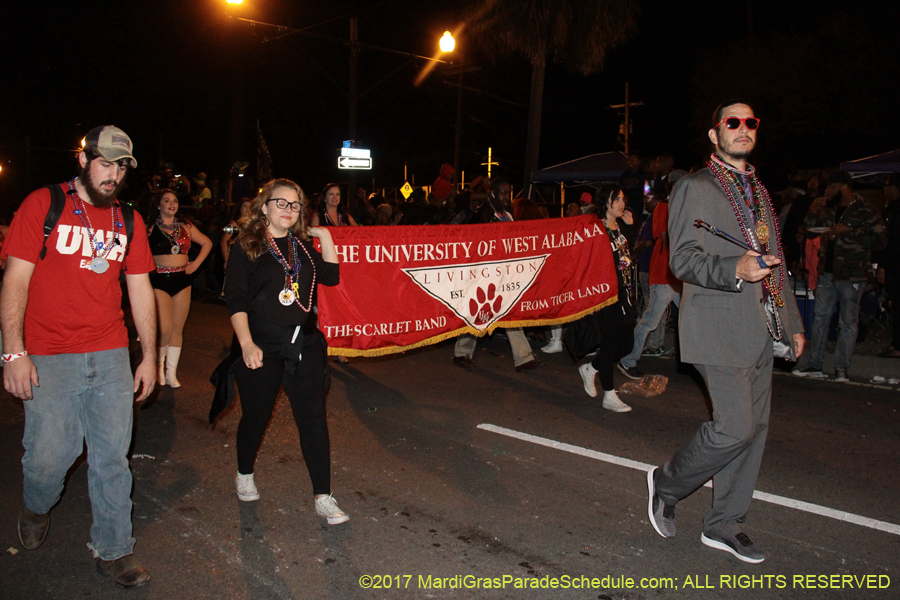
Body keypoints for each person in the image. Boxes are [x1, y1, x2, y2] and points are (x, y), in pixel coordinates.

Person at [647, 101, 805, 564]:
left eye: (750, 122)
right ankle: (667, 482)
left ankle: (724, 525)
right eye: (731, 122)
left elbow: (776, 261)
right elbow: (683, 260)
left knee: (753, 432)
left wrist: (792, 323)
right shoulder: (695, 187)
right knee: (734, 427)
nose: (742, 128)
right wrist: (734, 267)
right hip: (716, 325)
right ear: (715, 135)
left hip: (760, 327)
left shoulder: (758, 192)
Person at [0, 125, 156, 587]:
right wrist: (13, 354)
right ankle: (37, 503)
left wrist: (147, 356)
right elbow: (15, 281)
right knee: (51, 457)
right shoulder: (43, 204)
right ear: (84, 160)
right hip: (47, 352)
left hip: (109, 351)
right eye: (105, 163)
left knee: (112, 457)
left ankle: (114, 549)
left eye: (121, 167)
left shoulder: (129, 220)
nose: (112, 175)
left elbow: (141, 288)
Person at [224, 178, 349, 525]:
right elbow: (235, 298)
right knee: (256, 416)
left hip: (304, 344)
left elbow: (332, 276)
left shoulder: (302, 248)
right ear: (264, 207)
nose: (288, 211)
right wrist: (247, 343)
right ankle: (244, 472)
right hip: (262, 345)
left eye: (295, 206)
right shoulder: (246, 247)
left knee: (312, 419)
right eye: (281, 203)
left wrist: (325, 238)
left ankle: (323, 496)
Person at [793, 174, 886, 381]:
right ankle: (815, 364)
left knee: (848, 322)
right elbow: (808, 232)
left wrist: (850, 231)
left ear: (844, 187)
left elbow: (880, 240)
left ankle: (841, 367)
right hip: (827, 271)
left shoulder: (866, 209)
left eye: (831, 186)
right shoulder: (829, 209)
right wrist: (813, 209)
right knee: (820, 318)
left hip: (853, 273)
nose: (827, 191)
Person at [453, 178, 544, 372]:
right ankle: (461, 353)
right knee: (478, 313)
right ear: (492, 194)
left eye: (509, 193)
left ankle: (524, 358)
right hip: (484, 275)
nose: (507, 197)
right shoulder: (481, 216)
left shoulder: (507, 215)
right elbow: (473, 246)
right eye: (503, 193)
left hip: (503, 274)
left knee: (510, 313)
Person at [575, 184, 635, 412]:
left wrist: (630, 228)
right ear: (606, 202)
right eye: (617, 199)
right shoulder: (595, 228)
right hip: (606, 295)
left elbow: (628, 257)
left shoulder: (620, 227)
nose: (622, 203)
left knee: (627, 344)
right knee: (610, 344)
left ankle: (591, 368)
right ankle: (609, 394)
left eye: (623, 199)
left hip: (624, 293)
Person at [149, 189, 213, 387]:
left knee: (177, 329)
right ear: (158, 205)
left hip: (182, 280)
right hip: (159, 280)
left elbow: (207, 243)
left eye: (175, 200)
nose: (172, 204)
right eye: (166, 200)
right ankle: (157, 370)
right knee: (165, 329)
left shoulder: (186, 226)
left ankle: (171, 373)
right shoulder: (149, 227)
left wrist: (195, 264)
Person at [618, 186, 683, 377]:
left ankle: (691, 358)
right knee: (649, 321)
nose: (645, 201)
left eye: (648, 197)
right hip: (664, 275)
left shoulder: (668, 208)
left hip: (674, 274)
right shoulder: (663, 208)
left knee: (686, 318)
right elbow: (665, 238)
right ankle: (628, 360)